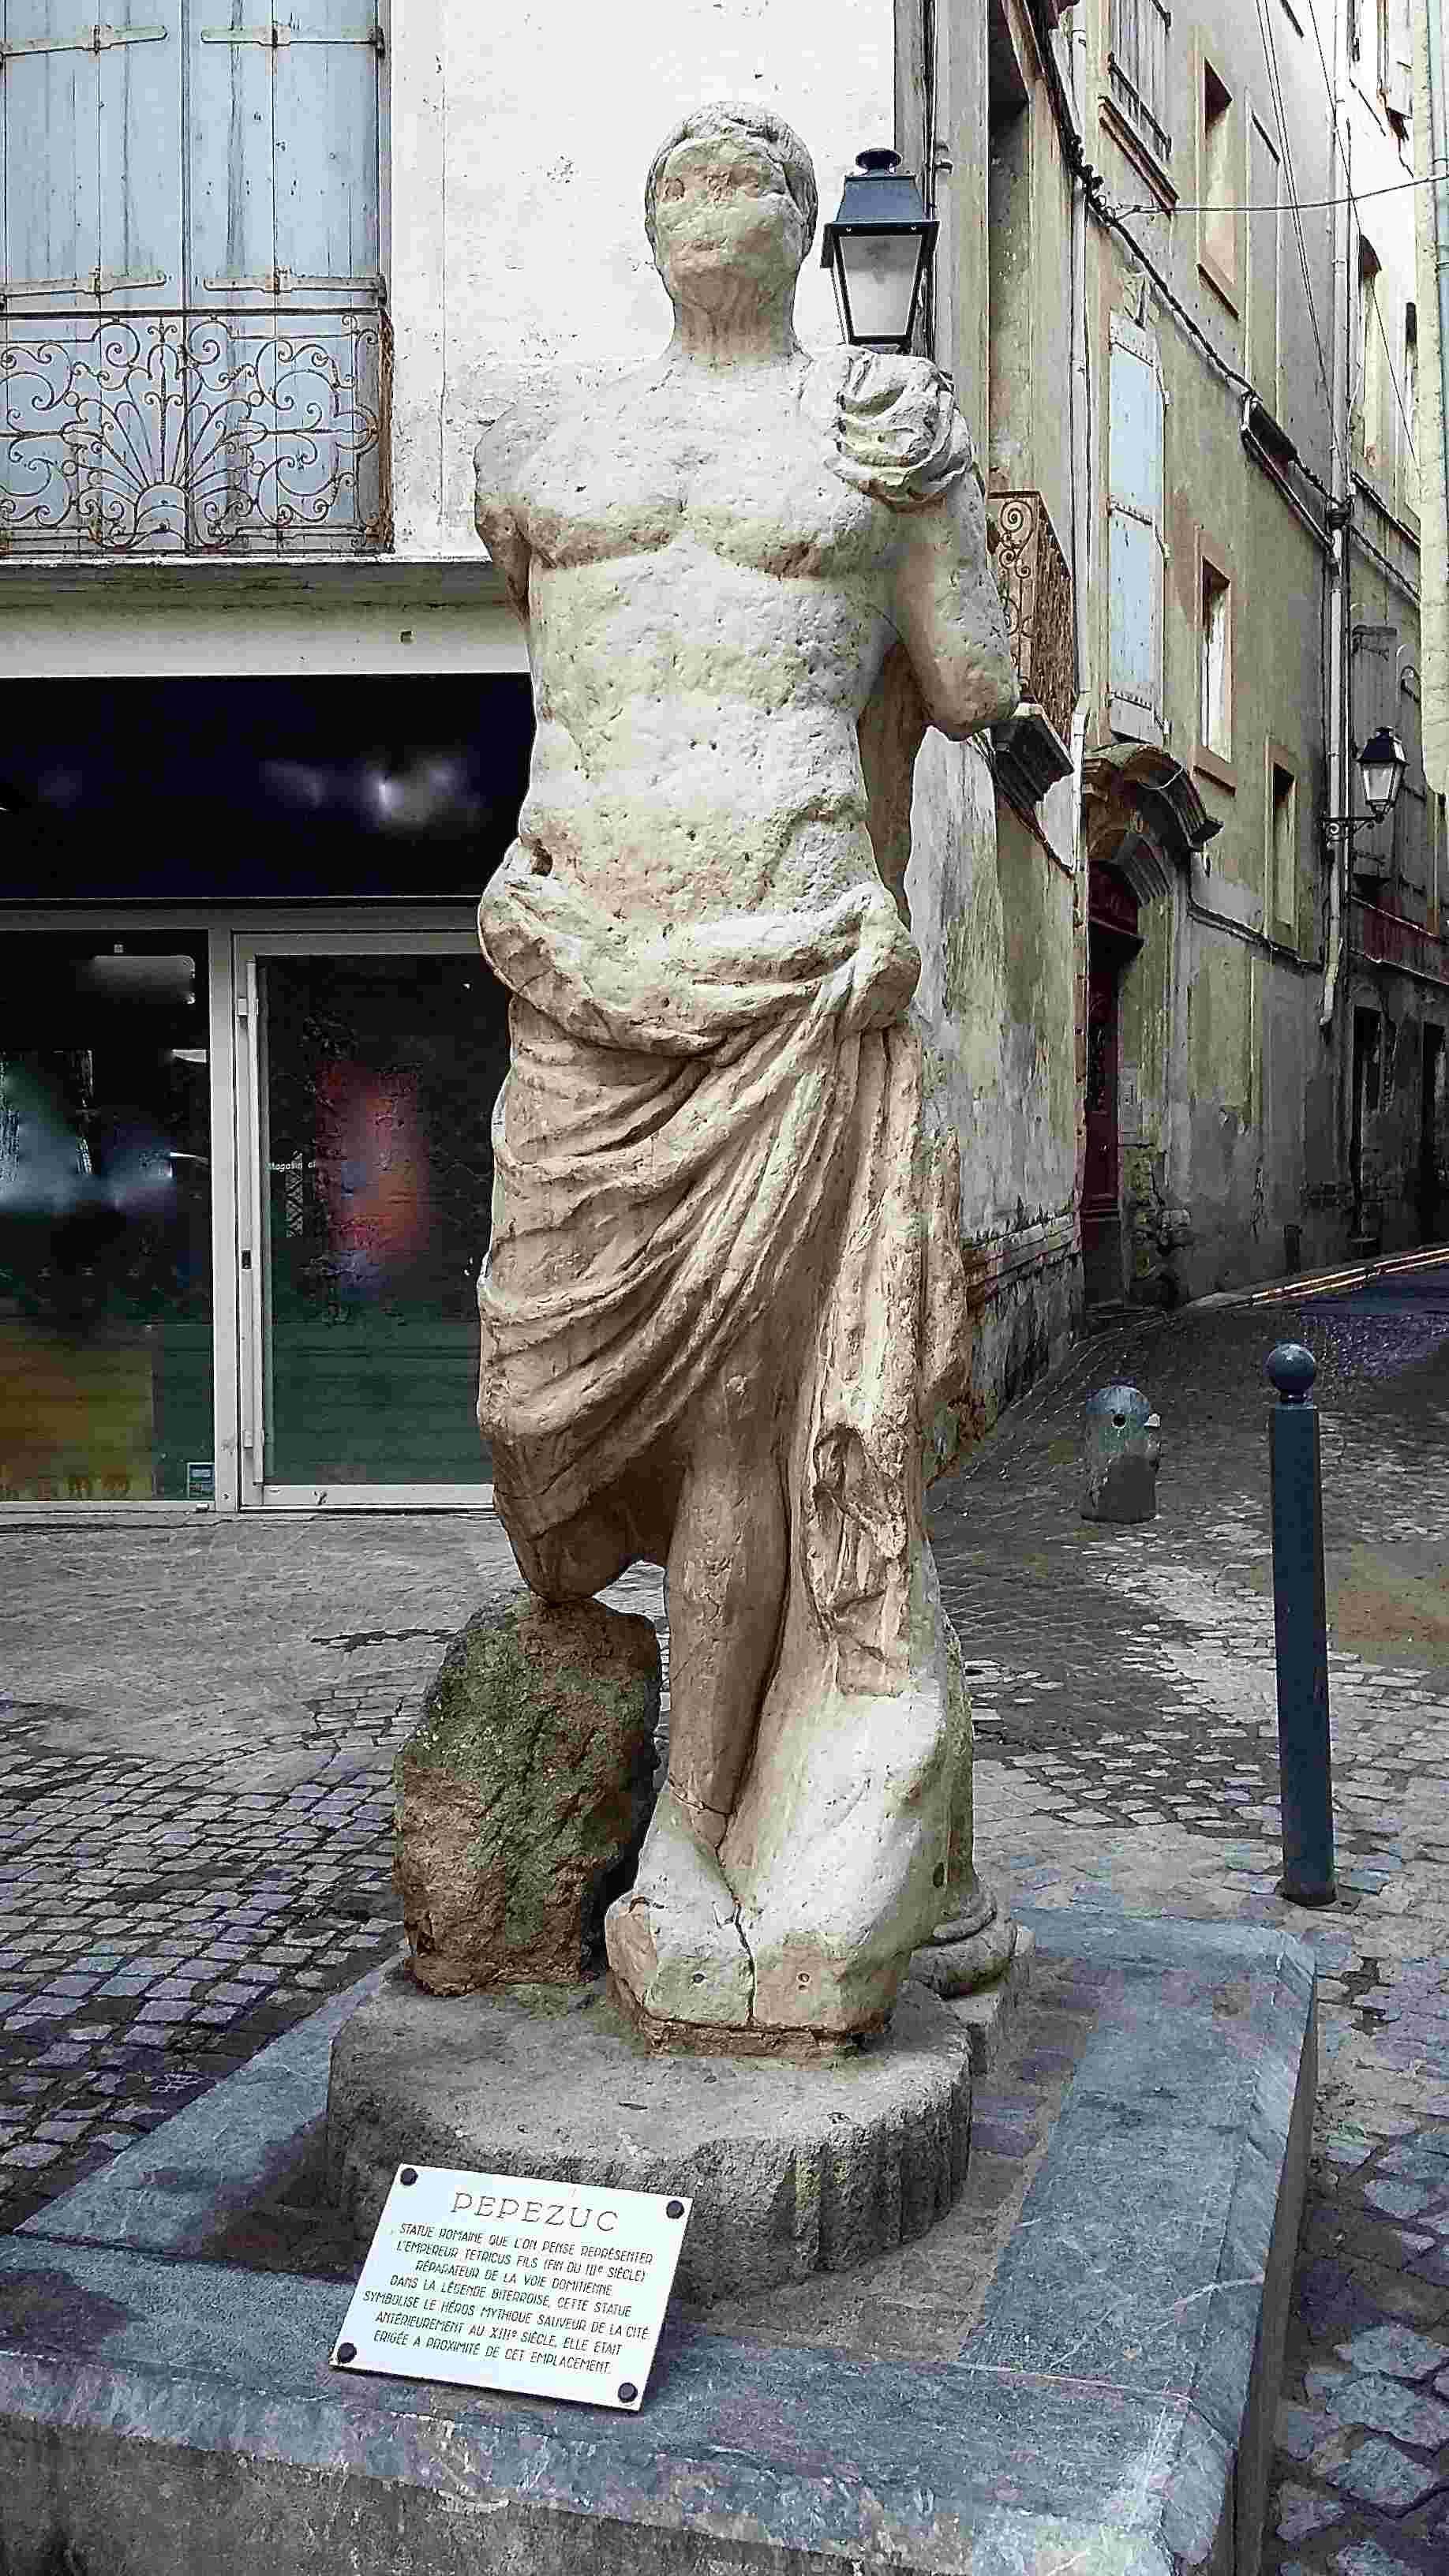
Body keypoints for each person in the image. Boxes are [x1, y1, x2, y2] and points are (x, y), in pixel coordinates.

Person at [473, 103, 1017, 2037]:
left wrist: (952, 497)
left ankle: (700, 1825)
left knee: (741, 1424)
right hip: (589, 981)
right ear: (646, 223)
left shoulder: (867, 440)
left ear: (802, 234)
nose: (729, 204)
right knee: (533, 1401)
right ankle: (699, 1785)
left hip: (787, 974)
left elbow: (972, 692)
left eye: (765, 184)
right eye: (693, 180)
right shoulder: (543, 442)